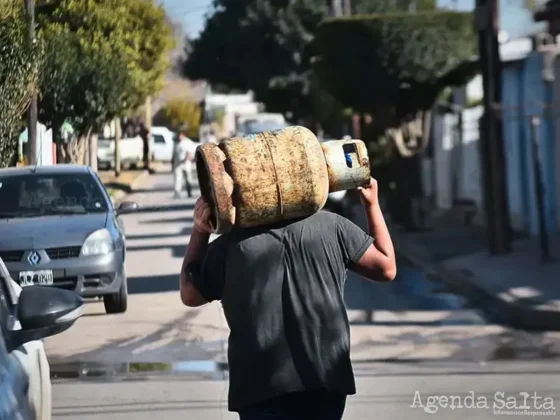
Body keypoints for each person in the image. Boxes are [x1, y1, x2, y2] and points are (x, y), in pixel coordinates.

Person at [179, 178, 397, 419]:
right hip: (325, 381)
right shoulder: (333, 227)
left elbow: (189, 294)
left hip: (258, 388)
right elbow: (386, 268)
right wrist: (371, 204)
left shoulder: (231, 245)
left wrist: (200, 231)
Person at [172, 132, 197, 198]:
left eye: (180, 136)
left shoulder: (187, 142)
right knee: (178, 178)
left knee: (188, 178)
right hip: (178, 164)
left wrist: (187, 158)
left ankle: (189, 191)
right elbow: (174, 154)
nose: (179, 137)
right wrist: (172, 163)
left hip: (186, 163)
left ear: (183, 135)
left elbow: (190, 152)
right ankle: (177, 192)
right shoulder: (176, 143)